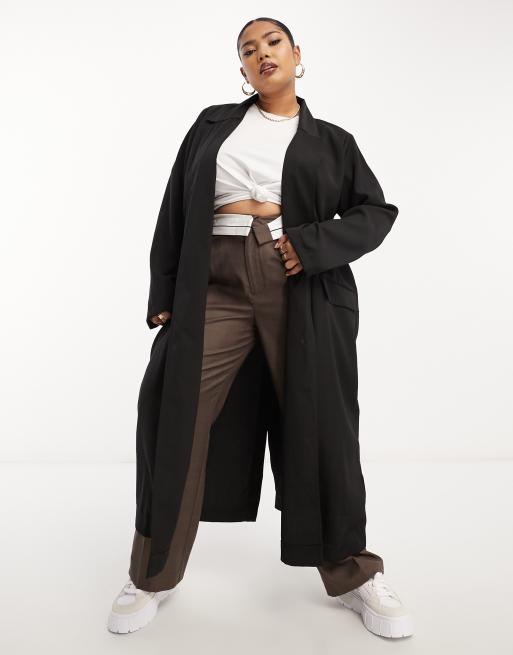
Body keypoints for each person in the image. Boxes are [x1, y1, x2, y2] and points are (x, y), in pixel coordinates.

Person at [107, 17, 414, 639]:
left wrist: (309, 244)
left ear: (297, 55)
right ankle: (152, 573)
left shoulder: (332, 141)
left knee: (323, 425)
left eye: (272, 43)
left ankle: (353, 573)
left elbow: (376, 212)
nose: (261, 53)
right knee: (170, 407)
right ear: (242, 68)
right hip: (214, 280)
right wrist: (164, 290)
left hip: (294, 280)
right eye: (248, 49)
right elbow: (174, 205)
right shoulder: (212, 124)